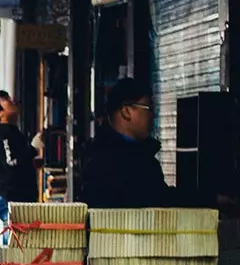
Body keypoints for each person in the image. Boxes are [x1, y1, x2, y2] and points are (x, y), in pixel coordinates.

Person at [76, 77, 216, 209]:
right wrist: (209, 200)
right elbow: (157, 199)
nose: (153, 115)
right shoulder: (104, 161)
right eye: (148, 108)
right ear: (126, 112)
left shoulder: (139, 155)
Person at [0, 90, 40, 223]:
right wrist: (32, 149)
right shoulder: (3, 134)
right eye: (5, 99)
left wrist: (31, 163)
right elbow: (11, 162)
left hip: (20, 201)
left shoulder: (12, 132)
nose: (12, 101)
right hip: (13, 203)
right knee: (18, 242)